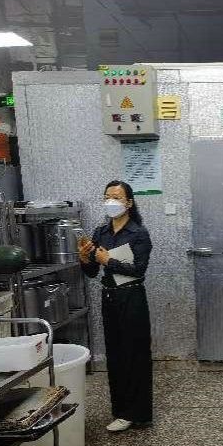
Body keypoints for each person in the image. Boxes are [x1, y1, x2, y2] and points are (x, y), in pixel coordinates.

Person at [79, 181, 153, 432]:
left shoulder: (138, 233)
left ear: (129, 203)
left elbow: (138, 270)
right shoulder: (101, 232)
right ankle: (121, 411)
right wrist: (84, 258)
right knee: (116, 355)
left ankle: (138, 414)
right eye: (107, 197)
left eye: (117, 197)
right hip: (110, 297)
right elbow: (92, 271)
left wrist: (108, 260)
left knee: (135, 355)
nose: (111, 201)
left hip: (132, 298)